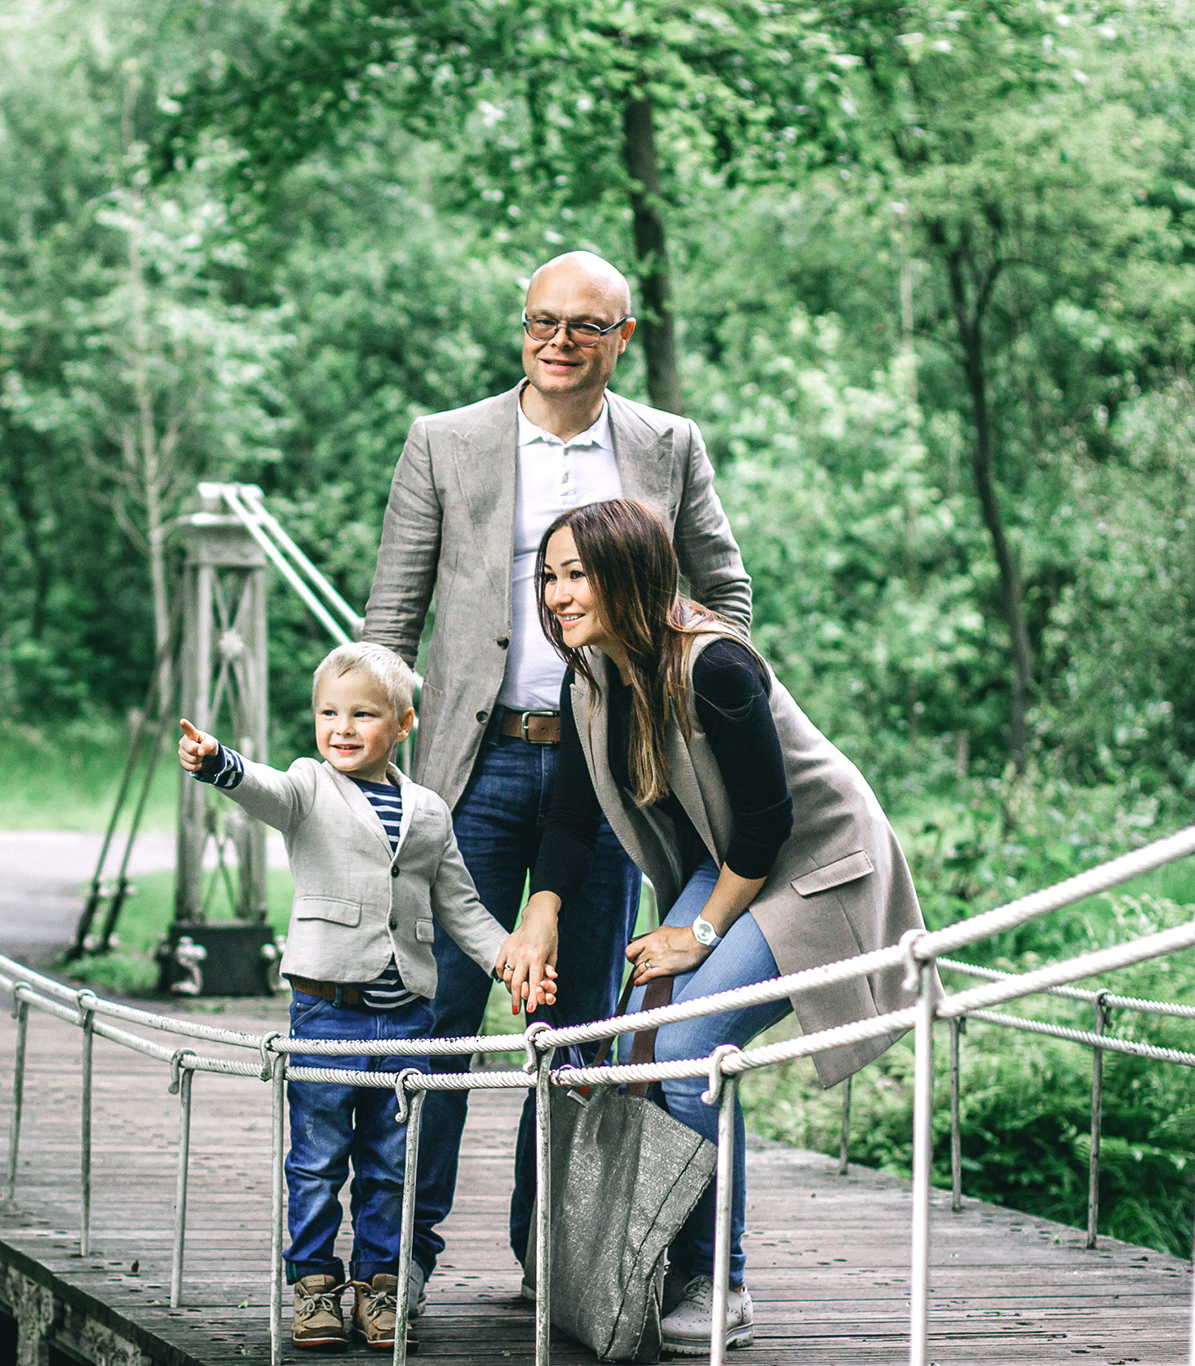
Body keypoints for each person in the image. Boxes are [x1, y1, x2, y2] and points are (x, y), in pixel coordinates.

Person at [361, 250, 753, 1284]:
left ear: (621, 338)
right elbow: (388, 624)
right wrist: (368, 781)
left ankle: (555, 1264)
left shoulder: (668, 447)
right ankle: (396, 1258)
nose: (558, 341)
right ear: (520, 325)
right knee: (436, 1007)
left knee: (575, 1024)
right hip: (468, 769)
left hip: (613, 779)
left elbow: (725, 596)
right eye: (541, 319)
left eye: (585, 324)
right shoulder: (443, 442)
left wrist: (675, 715)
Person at [494, 498, 927, 1355]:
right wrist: (539, 913)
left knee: (690, 1044)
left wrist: (693, 937)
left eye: (577, 574)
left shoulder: (716, 665)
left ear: (630, 575)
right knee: (638, 1045)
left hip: (810, 863)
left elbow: (768, 822)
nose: (557, 595)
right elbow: (573, 820)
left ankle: (718, 1284)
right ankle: (651, 1262)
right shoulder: (592, 675)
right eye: (549, 576)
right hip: (729, 862)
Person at [177, 642, 550, 1352]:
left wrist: (510, 957)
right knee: (318, 1156)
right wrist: (220, 763)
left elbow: (462, 908)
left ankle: (380, 1286)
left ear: (404, 724)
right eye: (328, 713)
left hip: (407, 1013)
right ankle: (315, 1287)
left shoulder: (430, 812)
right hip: (326, 1007)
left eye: (362, 715)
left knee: (389, 1156)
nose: (341, 728)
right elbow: (264, 789)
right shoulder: (307, 787)